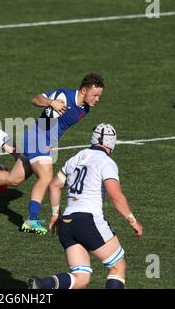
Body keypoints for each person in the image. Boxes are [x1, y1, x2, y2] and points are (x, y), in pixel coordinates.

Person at [0, 73, 104, 235]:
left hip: (41, 140)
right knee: (46, 177)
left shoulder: (86, 108)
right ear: (83, 90)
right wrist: (50, 102)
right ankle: (31, 220)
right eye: (95, 95)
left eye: (99, 96)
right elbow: (35, 99)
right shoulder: (64, 96)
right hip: (37, 138)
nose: (97, 99)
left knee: (14, 179)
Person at [28, 123, 143, 289]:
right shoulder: (106, 162)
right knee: (118, 266)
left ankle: (43, 284)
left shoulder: (76, 158)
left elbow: (54, 185)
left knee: (81, 278)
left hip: (67, 223)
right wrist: (133, 221)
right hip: (88, 220)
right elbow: (116, 196)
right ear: (112, 143)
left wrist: (55, 215)